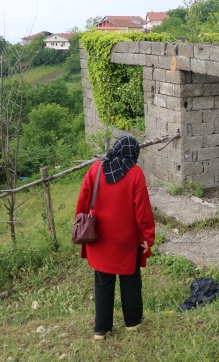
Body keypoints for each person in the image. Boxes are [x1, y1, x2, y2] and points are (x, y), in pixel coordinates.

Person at [75, 135, 155, 339]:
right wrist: (148, 237)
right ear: (133, 153)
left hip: (99, 238)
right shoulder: (135, 173)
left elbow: (83, 200)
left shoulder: (96, 169)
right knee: (130, 281)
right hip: (126, 241)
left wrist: (80, 224)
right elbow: (143, 211)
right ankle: (132, 323)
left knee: (102, 283)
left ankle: (101, 330)